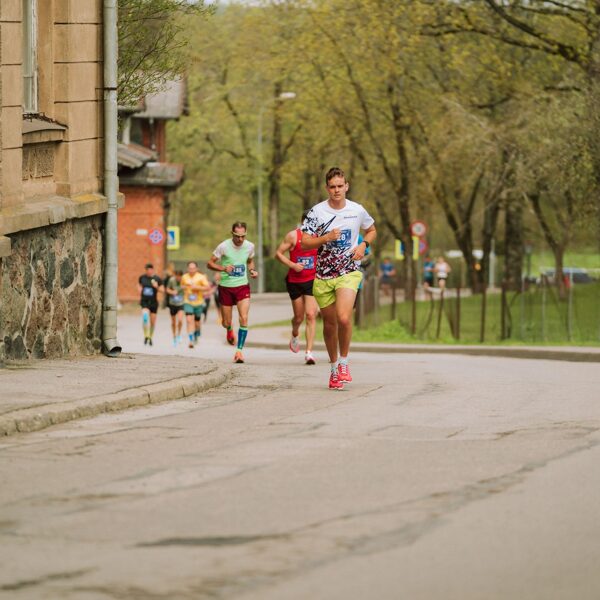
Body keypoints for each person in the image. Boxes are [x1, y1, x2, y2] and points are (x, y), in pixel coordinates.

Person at [301, 167, 376, 390]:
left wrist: (363, 244)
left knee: (344, 318)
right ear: (327, 188)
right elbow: (305, 242)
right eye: (332, 187)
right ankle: (333, 368)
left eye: (340, 186)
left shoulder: (357, 210)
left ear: (346, 186)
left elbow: (372, 230)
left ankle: (344, 362)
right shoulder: (317, 212)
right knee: (330, 324)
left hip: (348, 271)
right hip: (323, 275)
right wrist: (325, 238)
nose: (336, 190)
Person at [207, 221, 258, 364]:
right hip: (226, 287)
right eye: (237, 236)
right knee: (225, 322)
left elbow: (250, 261)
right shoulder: (223, 246)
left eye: (243, 236)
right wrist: (223, 269)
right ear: (232, 234)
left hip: (242, 286)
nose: (240, 239)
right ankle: (229, 329)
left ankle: (239, 351)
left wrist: (252, 270)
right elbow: (209, 263)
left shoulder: (250, 246)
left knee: (244, 318)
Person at [275, 211, 319, 365]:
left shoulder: (320, 237)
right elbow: (278, 254)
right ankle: (294, 333)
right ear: (303, 222)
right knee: (299, 317)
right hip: (294, 281)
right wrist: (292, 265)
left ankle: (309, 352)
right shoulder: (293, 236)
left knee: (311, 315)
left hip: (311, 280)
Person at [181, 261, 210, 349]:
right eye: (190, 268)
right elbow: (182, 286)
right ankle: (190, 340)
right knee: (189, 320)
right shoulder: (184, 277)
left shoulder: (201, 277)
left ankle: (197, 333)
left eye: (193, 268)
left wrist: (197, 287)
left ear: (196, 269)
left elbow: (207, 287)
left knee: (197, 322)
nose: (191, 270)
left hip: (198, 302)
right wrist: (185, 287)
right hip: (188, 301)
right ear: (187, 269)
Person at [138, 263, 163, 346]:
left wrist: (157, 287)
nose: (148, 271)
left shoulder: (157, 279)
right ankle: (146, 335)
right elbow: (139, 285)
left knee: (152, 322)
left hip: (153, 303)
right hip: (144, 301)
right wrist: (139, 289)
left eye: (149, 269)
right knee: (145, 318)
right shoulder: (142, 278)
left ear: (152, 270)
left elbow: (163, 290)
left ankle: (150, 337)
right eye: (146, 270)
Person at [165, 269, 185, 346]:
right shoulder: (171, 280)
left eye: (180, 276)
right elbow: (167, 289)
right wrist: (172, 292)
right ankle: (174, 337)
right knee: (173, 322)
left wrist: (184, 288)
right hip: (172, 303)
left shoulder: (184, 281)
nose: (178, 278)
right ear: (175, 275)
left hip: (181, 303)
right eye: (177, 276)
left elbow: (188, 288)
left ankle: (179, 334)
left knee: (180, 320)